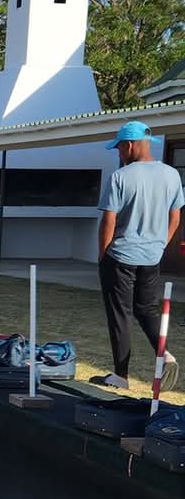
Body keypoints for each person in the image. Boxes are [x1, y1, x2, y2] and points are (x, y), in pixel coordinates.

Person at [93, 120, 183, 392]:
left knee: (120, 314)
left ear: (130, 145)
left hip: (120, 255)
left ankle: (121, 376)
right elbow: (175, 217)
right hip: (151, 257)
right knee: (146, 310)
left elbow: (109, 221)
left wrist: (103, 254)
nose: (119, 153)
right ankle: (166, 355)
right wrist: (160, 245)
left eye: (119, 148)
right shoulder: (172, 175)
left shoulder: (120, 176)